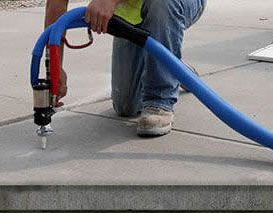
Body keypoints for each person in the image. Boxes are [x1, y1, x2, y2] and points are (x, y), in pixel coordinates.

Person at [45, 0, 206, 136]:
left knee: (160, 5)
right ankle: (171, 64)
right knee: (126, 106)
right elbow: (56, 5)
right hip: (133, 13)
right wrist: (55, 66)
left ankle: (160, 101)